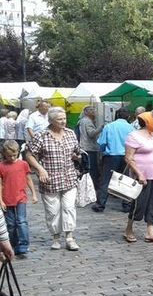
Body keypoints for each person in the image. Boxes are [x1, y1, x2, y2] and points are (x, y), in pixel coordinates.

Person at [25, 107, 81, 251]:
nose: (63, 121)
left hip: (69, 177)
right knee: (53, 210)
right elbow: (29, 155)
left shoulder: (70, 134)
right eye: (60, 119)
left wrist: (77, 157)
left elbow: (77, 152)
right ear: (50, 121)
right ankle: (56, 237)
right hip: (49, 179)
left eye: (64, 118)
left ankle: (69, 238)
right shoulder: (41, 136)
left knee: (69, 208)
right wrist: (40, 169)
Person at [123, 111, 153, 244]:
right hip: (141, 176)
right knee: (138, 204)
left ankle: (150, 232)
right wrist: (139, 174)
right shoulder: (134, 136)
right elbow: (128, 158)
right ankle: (128, 229)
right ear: (147, 122)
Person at [0, 140, 38, 258]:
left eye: (14, 155)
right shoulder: (1, 166)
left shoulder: (23, 164)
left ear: (17, 152)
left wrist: (34, 194)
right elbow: (0, 184)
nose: (11, 158)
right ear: (4, 154)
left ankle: (23, 244)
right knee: (10, 224)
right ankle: (13, 243)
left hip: (20, 197)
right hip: (7, 199)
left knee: (21, 221)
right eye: (8, 156)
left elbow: (28, 179)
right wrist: (1, 200)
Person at [93, 108, 134, 212]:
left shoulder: (109, 126)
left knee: (106, 180)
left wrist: (103, 152)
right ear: (128, 117)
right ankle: (126, 205)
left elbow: (102, 143)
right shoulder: (131, 128)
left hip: (111, 156)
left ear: (117, 115)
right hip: (126, 157)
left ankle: (100, 204)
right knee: (125, 180)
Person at [78, 106, 103, 195]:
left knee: (87, 168)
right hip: (89, 148)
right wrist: (100, 128)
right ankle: (92, 187)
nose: (94, 112)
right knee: (92, 169)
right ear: (86, 112)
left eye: (94, 110)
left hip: (84, 147)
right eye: (91, 110)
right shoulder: (87, 121)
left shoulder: (82, 121)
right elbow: (91, 134)